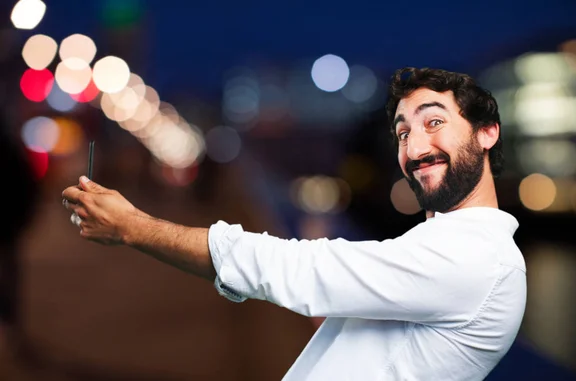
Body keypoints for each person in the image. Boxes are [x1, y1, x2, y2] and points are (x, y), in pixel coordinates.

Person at [61, 68, 527, 381]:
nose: (414, 145)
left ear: (488, 132)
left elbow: (299, 268)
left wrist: (133, 227)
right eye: (404, 132)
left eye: (434, 122)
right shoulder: (448, 245)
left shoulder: (476, 259)